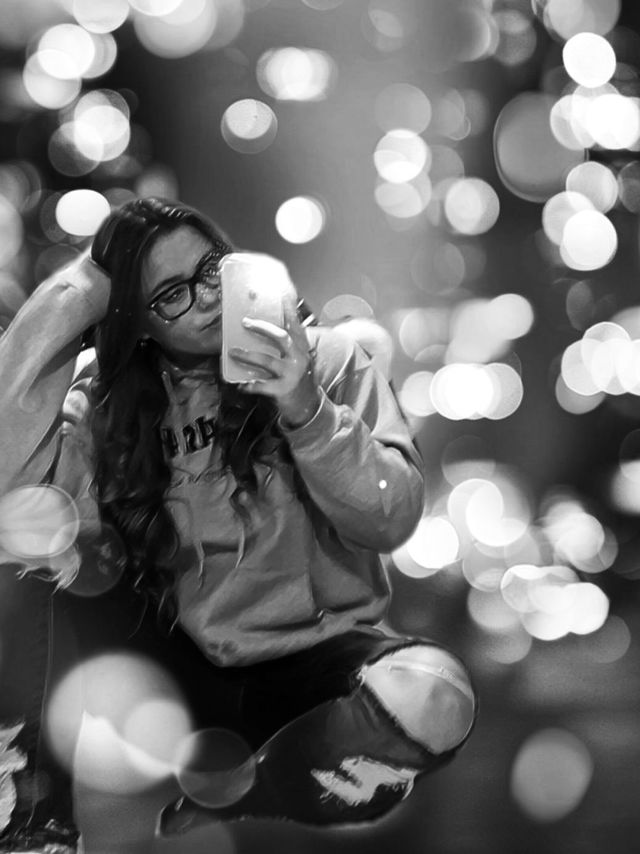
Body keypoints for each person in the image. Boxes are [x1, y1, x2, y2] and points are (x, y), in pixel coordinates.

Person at [0, 197, 476, 846]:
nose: (205, 298)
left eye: (212, 270)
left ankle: (252, 787)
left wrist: (306, 409)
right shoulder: (106, 404)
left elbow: (390, 520)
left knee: (439, 698)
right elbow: (10, 486)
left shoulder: (330, 360)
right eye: (171, 294)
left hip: (311, 660)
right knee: (31, 531)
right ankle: (36, 820)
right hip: (171, 669)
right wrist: (79, 291)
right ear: (138, 321)